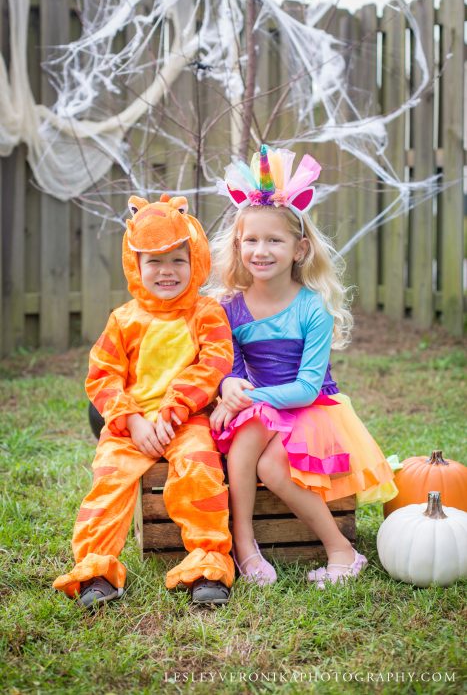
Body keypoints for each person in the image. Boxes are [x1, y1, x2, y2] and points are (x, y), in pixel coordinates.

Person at [210, 145, 398, 589]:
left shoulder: (312, 308)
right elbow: (231, 366)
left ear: (299, 248)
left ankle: (342, 551)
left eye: (274, 240)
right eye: (251, 240)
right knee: (249, 433)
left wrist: (247, 397)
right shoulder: (232, 308)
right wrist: (230, 385)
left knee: (272, 467)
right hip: (263, 409)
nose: (261, 250)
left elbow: (309, 386)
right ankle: (244, 543)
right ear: (238, 246)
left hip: (310, 406)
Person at [54, 194, 234, 607]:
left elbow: (214, 362)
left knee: (199, 472)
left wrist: (174, 411)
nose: (166, 271)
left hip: (186, 421)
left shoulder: (206, 313)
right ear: (136, 266)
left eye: (177, 260)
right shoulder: (124, 319)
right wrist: (133, 421)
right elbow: (103, 376)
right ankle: (97, 569)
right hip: (130, 425)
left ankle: (208, 564)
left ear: (197, 262)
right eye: (154, 261)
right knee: (109, 481)